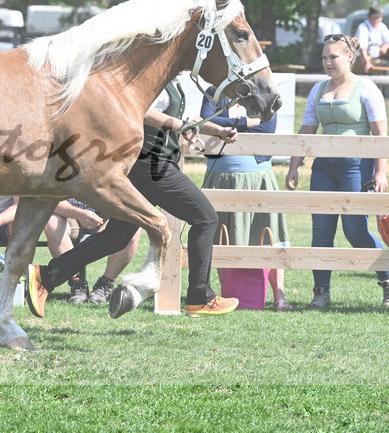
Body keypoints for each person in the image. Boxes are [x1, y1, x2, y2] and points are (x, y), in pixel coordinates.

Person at [25, 75, 241, 319]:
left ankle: (47, 276)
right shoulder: (155, 80)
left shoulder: (174, 82)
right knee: (206, 218)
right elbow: (145, 112)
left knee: (117, 237)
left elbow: (186, 119)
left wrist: (218, 130)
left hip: (149, 167)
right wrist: (179, 125)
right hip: (152, 165)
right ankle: (201, 298)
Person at [285, 34, 389, 309]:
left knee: (355, 232)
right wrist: (294, 165)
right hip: (323, 169)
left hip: (356, 167)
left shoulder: (367, 88)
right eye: (324, 57)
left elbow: (380, 132)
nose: (328, 62)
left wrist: (380, 172)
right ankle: (320, 293)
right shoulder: (317, 90)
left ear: (350, 57)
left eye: (333, 57)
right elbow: (307, 130)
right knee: (321, 233)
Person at [200, 90, 292, 310]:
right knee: (219, 235)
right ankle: (225, 291)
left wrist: (225, 127)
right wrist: (245, 122)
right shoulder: (214, 92)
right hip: (220, 175)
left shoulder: (264, 94)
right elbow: (206, 120)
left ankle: (279, 296)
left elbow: (267, 127)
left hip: (258, 176)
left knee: (270, 233)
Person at [41, 199, 130, 305]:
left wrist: (109, 226)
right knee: (52, 222)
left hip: (108, 217)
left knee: (130, 225)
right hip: (70, 214)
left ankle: (105, 284)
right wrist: (79, 213)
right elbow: (52, 200)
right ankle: (76, 283)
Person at [354, 5, 389, 105]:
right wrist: (367, 62)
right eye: (375, 17)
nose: (378, 19)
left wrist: (386, 46)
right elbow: (362, 48)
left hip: (376, 58)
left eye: (379, 17)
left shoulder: (381, 26)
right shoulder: (363, 27)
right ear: (369, 17)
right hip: (363, 59)